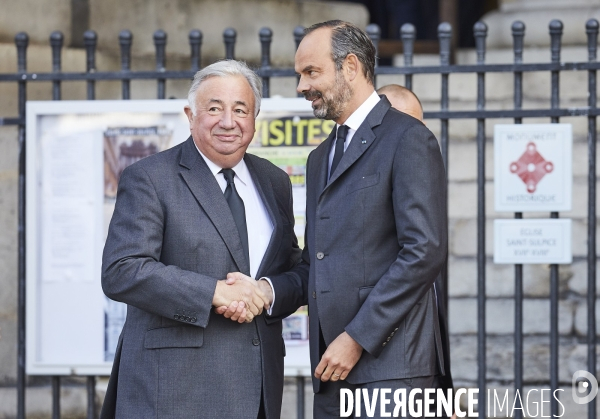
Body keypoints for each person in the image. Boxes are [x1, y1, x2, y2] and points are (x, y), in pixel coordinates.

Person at [228, 20, 449, 418]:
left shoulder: (407, 137)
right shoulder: (319, 159)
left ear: (350, 67)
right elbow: (317, 263)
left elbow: (424, 252)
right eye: (299, 74)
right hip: (331, 378)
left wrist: (356, 338)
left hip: (392, 376)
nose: (301, 86)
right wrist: (265, 291)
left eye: (311, 72)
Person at [100, 60, 302, 419]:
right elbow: (122, 270)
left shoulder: (274, 181)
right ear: (190, 115)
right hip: (174, 393)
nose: (228, 121)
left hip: (257, 392)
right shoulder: (149, 177)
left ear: (255, 117)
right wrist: (213, 292)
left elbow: (295, 267)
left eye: (241, 109)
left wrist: (267, 291)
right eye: (214, 108)